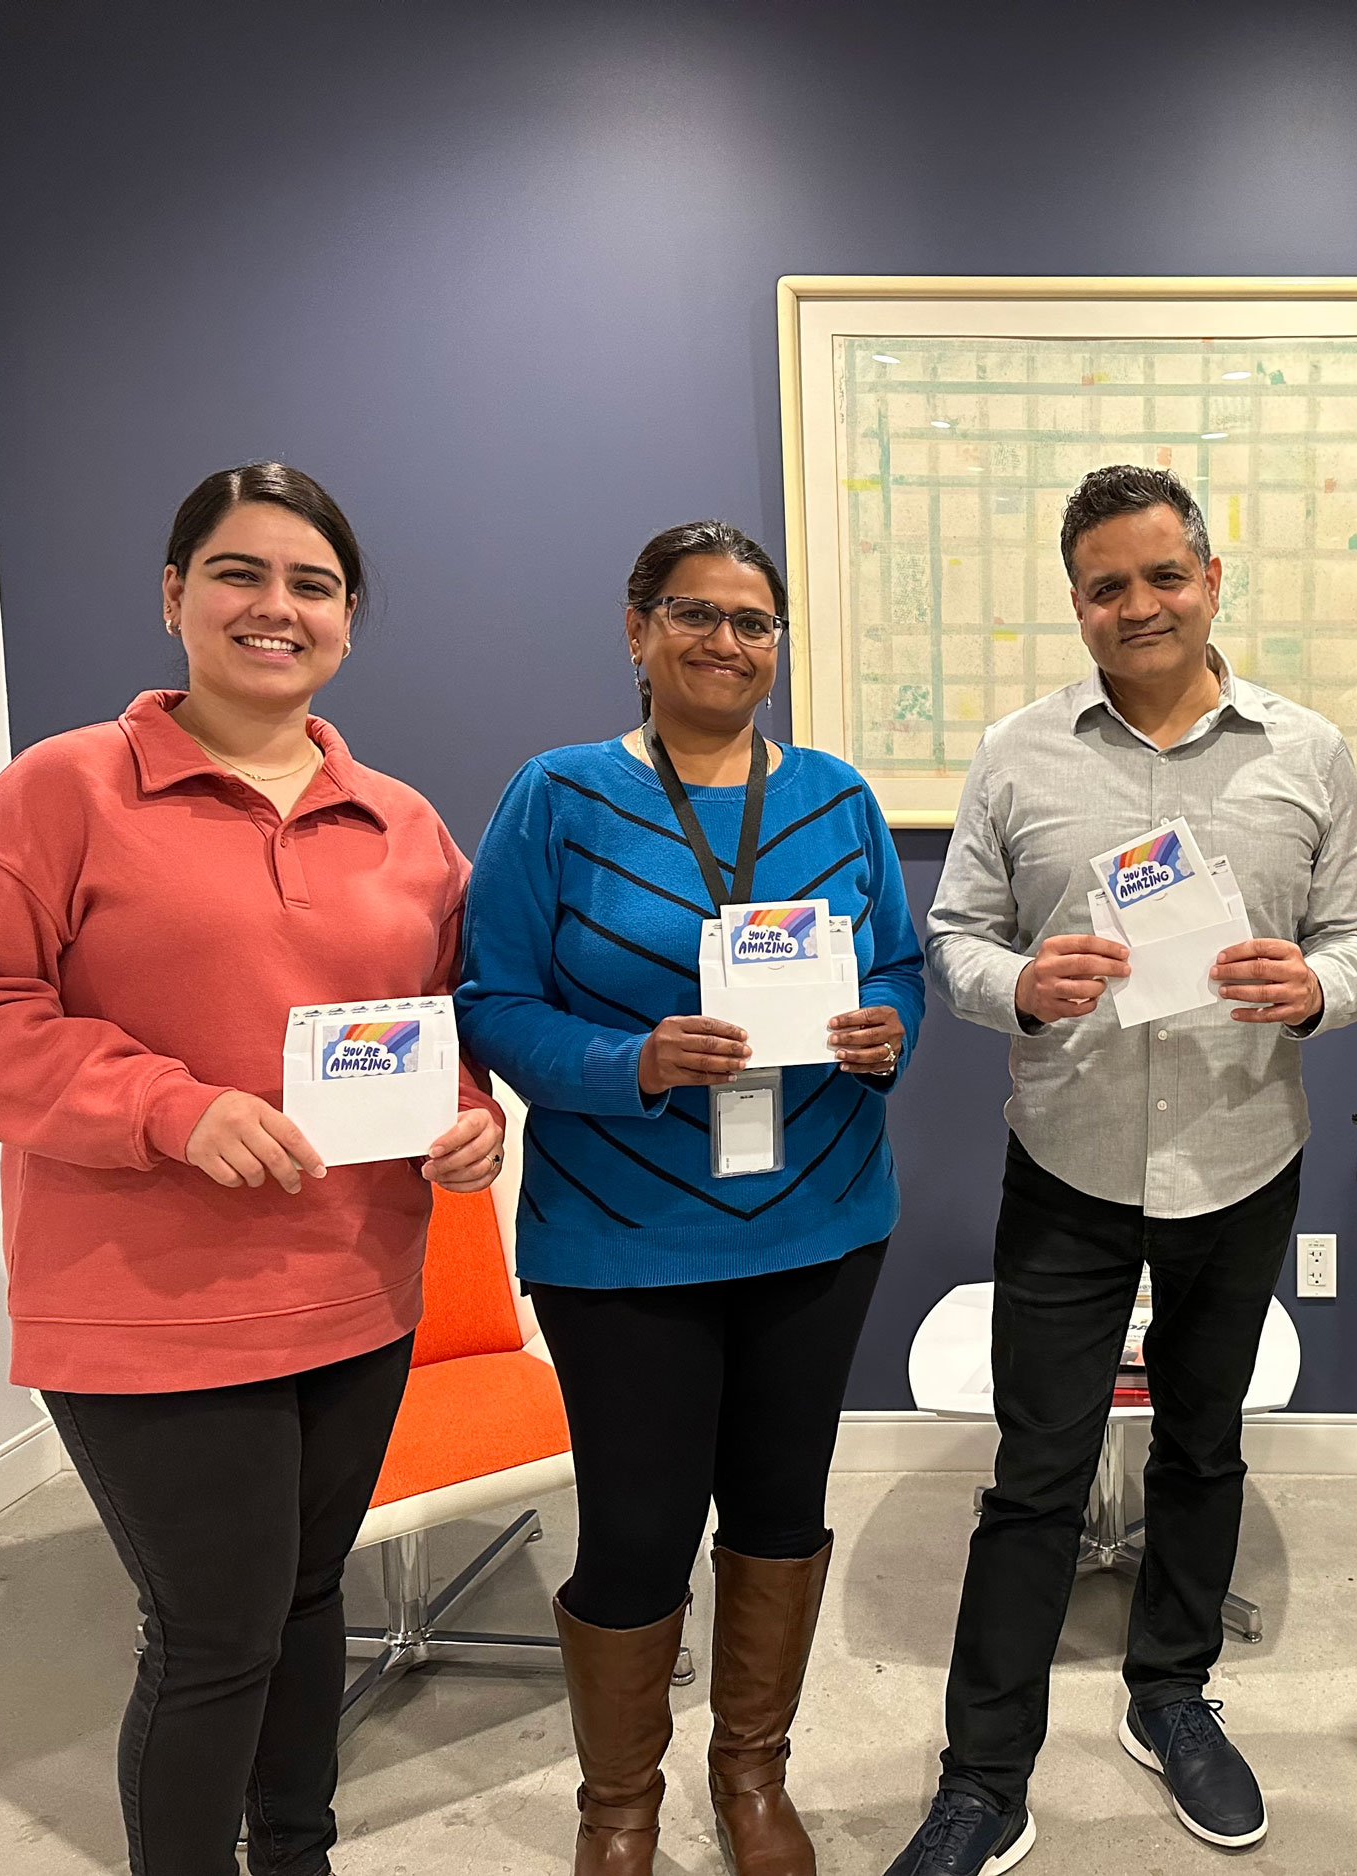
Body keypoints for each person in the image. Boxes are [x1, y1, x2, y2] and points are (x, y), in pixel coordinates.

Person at [0, 463, 505, 1876]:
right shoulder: (60, 791)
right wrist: (167, 1107)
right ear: (175, 594)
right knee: (216, 1634)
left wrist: (471, 1113)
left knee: (307, 1600)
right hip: (146, 1307)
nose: (275, 606)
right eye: (239, 572)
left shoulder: (403, 824)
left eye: (312, 585)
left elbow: (443, 1021)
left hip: (357, 1289)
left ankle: (296, 1854)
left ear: (347, 618)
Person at [885, 464, 1357, 1874]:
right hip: (1071, 1164)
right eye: (1107, 586)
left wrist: (1320, 988)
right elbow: (956, 938)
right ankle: (984, 1774)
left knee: (1204, 1447)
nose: (1140, 605)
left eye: (1164, 576)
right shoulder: (1017, 754)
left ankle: (1172, 1694)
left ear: (1211, 581)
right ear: (1077, 605)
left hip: (1242, 1159)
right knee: (1033, 1474)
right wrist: (1019, 986)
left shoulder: (1306, 752)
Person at [455, 519, 925, 1876]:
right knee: (638, 1530)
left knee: (780, 1508)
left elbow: (894, 966)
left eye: (752, 621)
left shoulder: (835, 796)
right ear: (637, 630)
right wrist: (634, 1062)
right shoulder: (558, 795)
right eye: (692, 612)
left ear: (778, 644)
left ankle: (751, 1775)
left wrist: (885, 1027)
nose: (725, 640)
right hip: (620, 1235)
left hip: (821, 1217)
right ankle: (619, 1807)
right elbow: (492, 1000)